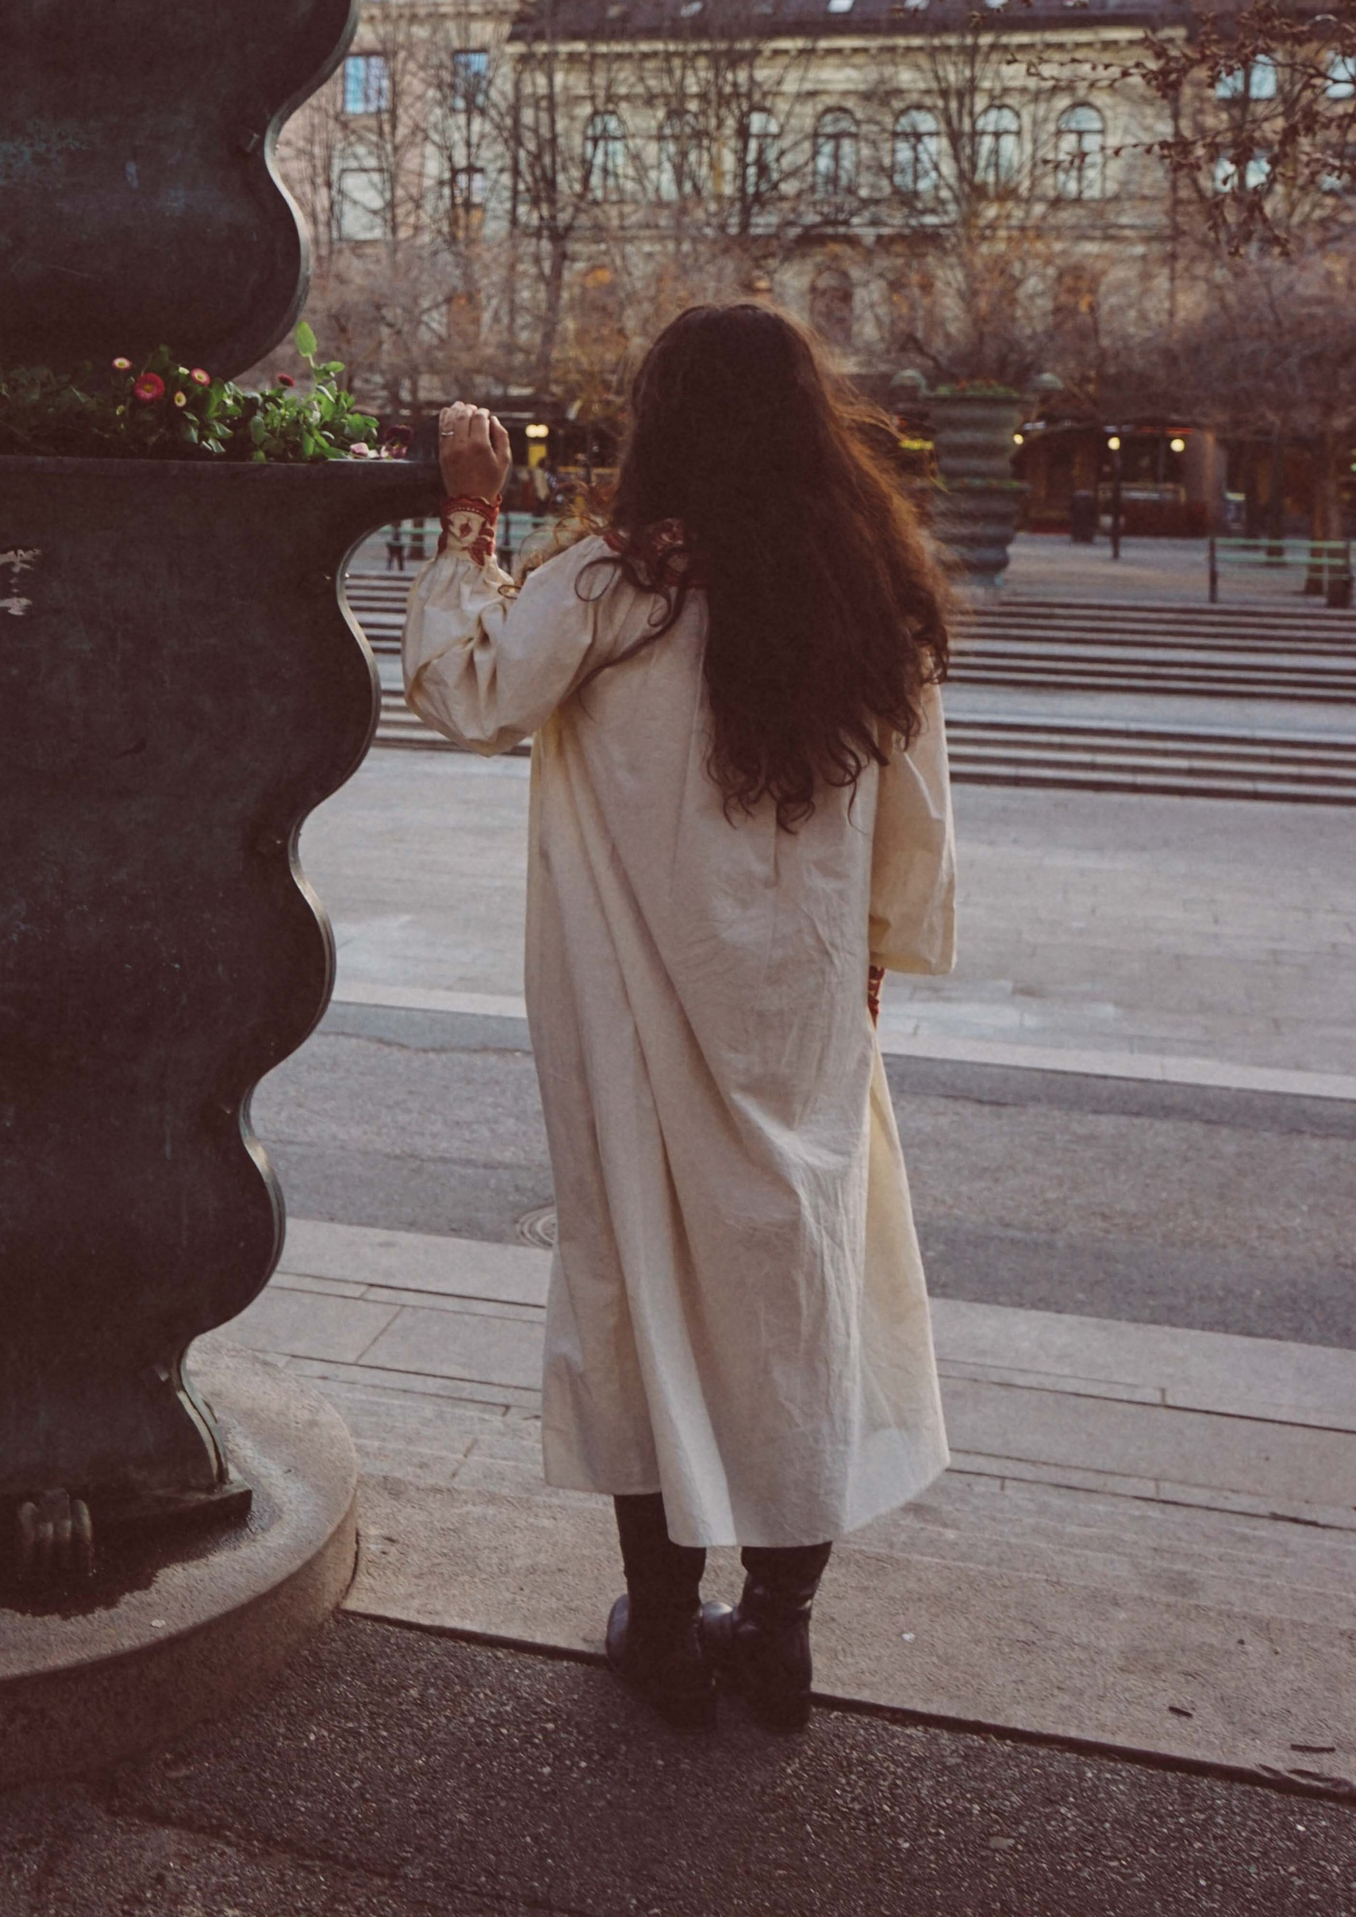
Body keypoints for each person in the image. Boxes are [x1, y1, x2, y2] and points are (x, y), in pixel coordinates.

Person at [403, 303, 957, 1729]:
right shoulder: (871, 594)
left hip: (633, 1006)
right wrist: (874, 965)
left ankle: (659, 1630)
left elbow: (469, 694)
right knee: (796, 1294)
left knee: (640, 1278)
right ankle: (776, 1634)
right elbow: (917, 826)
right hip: (805, 1016)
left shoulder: (615, 584)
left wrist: (472, 518)